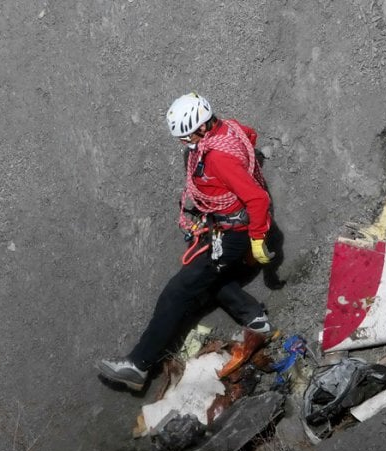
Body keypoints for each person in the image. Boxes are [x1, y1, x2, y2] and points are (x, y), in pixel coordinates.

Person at [97, 93, 275, 391]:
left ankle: (138, 366)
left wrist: (257, 239)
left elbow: (258, 198)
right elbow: (249, 135)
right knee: (207, 277)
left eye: (186, 136)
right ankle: (255, 318)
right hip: (225, 228)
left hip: (232, 235)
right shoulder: (227, 129)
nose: (184, 143)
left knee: (177, 292)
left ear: (203, 127)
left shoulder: (217, 158)